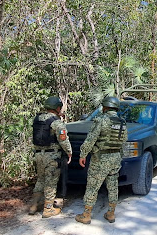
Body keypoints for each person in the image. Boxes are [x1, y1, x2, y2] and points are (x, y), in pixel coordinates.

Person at [75, 96, 128, 225]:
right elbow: (123, 141)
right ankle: (111, 213)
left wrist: (83, 154)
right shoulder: (122, 122)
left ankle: (86, 215)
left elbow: (91, 139)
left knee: (93, 185)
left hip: (101, 158)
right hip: (116, 157)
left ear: (104, 107)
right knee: (113, 185)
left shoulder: (101, 120)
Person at [29, 96, 72, 217]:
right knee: (51, 182)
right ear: (57, 108)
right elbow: (63, 139)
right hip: (52, 156)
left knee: (41, 179)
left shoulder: (37, 118)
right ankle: (48, 209)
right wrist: (69, 152)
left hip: (38, 155)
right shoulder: (56, 122)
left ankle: (33, 205)